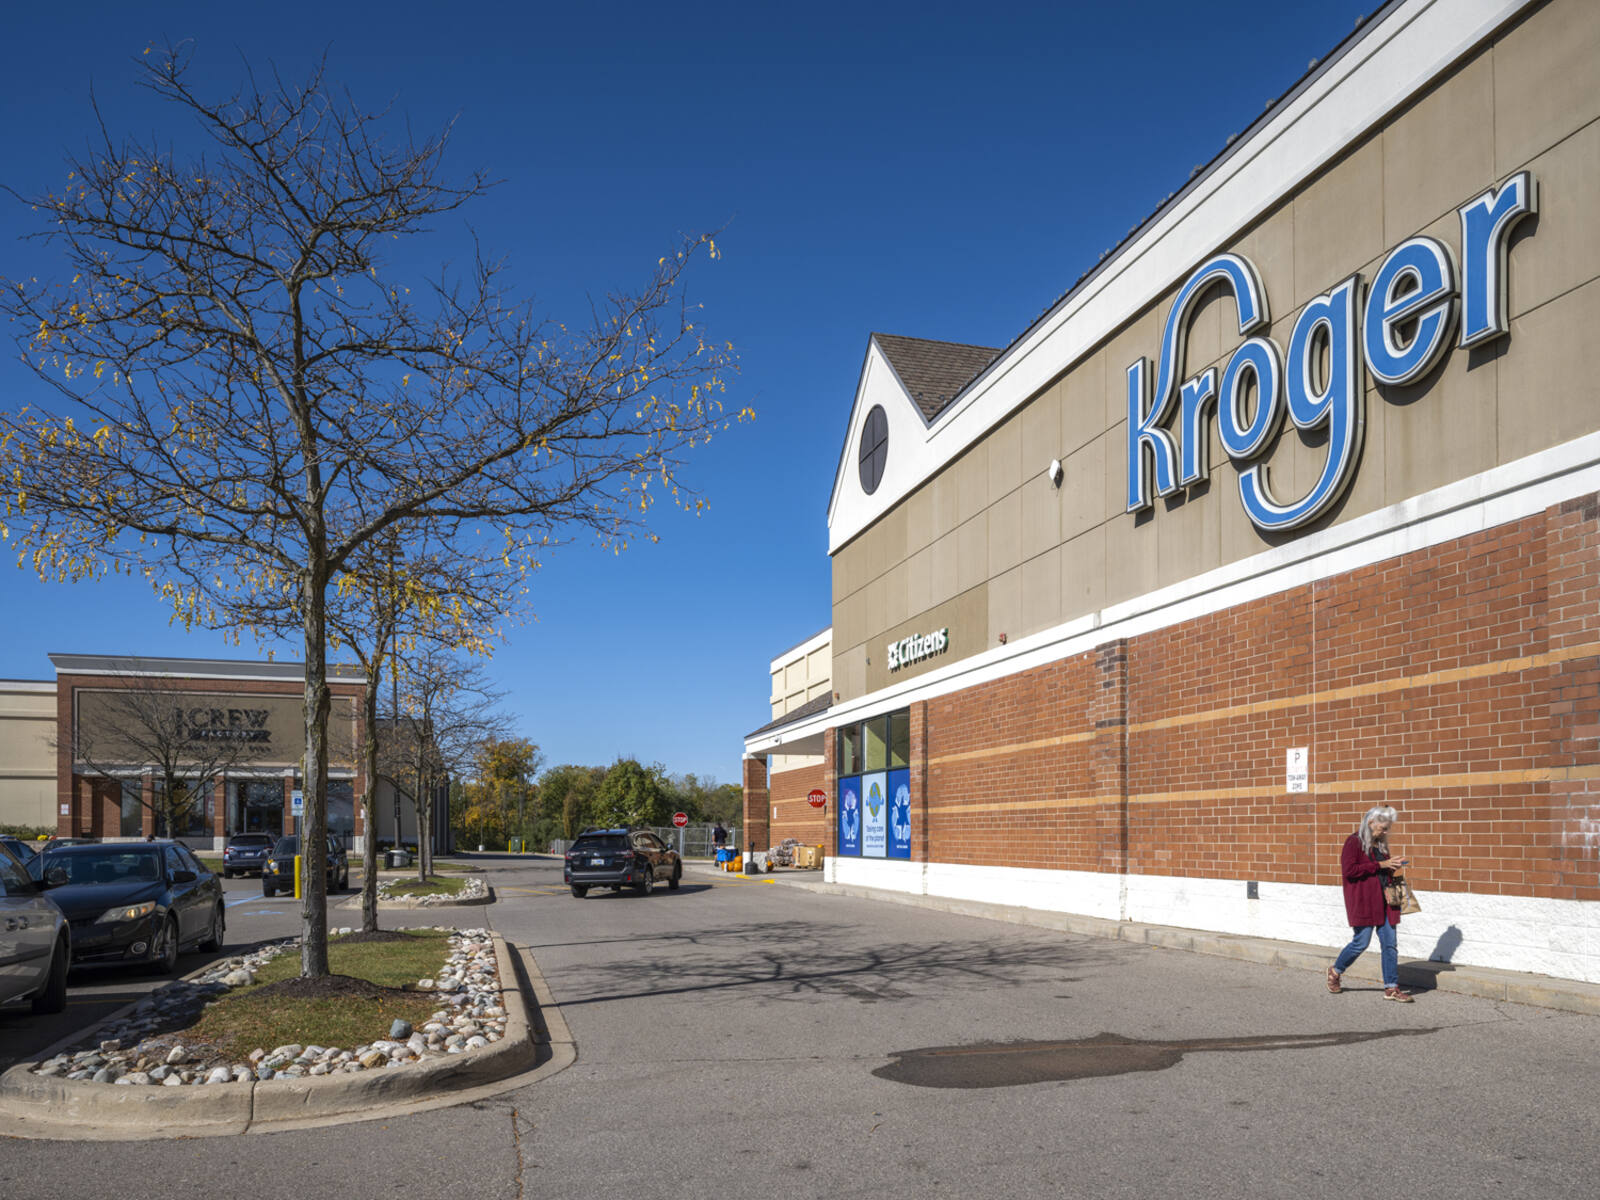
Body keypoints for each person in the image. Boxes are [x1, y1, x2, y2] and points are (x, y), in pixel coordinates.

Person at [1327, 805, 1414, 1002]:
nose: (1385, 832)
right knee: (1361, 943)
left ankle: (1391, 988)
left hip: (1385, 901)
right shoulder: (1354, 842)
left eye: (1387, 829)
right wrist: (1380, 865)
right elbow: (1350, 871)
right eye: (1383, 828)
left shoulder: (1380, 845)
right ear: (1370, 822)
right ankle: (1335, 971)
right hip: (1364, 900)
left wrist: (1392, 865)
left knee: (1390, 944)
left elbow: (1380, 870)